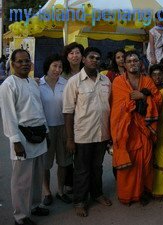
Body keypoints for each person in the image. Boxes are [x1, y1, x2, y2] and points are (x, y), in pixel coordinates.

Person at [0, 49, 49, 225]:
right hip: (22, 137)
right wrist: (15, 141)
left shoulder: (32, 82)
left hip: (39, 134)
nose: (24, 64)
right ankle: (20, 216)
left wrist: (47, 133)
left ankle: (35, 205)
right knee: (22, 180)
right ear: (12, 64)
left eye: (27, 61)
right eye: (19, 61)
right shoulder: (8, 85)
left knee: (36, 176)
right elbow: (8, 115)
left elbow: (39, 109)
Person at [63, 47, 112, 217]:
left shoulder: (106, 81)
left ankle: (97, 194)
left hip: (102, 134)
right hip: (83, 135)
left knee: (97, 167)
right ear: (83, 59)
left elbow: (109, 108)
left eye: (98, 58)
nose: (95, 60)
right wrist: (70, 138)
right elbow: (68, 112)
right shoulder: (74, 82)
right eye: (91, 57)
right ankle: (80, 201)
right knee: (82, 170)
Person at [110, 51, 162, 206]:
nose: (132, 63)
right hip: (126, 131)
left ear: (140, 63)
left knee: (145, 163)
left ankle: (143, 192)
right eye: (129, 61)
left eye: (135, 60)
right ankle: (127, 195)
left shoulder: (147, 81)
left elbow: (158, 100)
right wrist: (132, 101)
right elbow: (118, 106)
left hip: (144, 129)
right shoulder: (118, 82)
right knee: (128, 165)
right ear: (124, 65)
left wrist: (143, 97)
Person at [39, 54, 72, 206]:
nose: (57, 70)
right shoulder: (38, 84)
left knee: (64, 162)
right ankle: (47, 192)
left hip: (63, 127)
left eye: (60, 67)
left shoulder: (66, 84)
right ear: (48, 66)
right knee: (45, 163)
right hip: (45, 129)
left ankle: (60, 191)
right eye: (54, 66)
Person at [61, 42, 84, 194]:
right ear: (67, 56)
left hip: (84, 120)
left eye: (77, 53)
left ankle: (82, 182)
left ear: (82, 56)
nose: (74, 56)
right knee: (68, 152)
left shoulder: (88, 72)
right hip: (66, 119)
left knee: (82, 153)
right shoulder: (61, 75)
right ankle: (69, 183)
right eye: (71, 53)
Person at [149, 64, 163, 199]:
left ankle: (162, 190)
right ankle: (149, 187)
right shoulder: (146, 91)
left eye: (159, 74)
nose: (157, 77)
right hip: (149, 129)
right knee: (149, 160)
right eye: (154, 74)